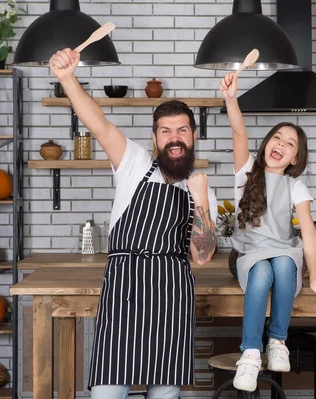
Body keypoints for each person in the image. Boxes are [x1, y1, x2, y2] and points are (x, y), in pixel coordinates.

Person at [49, 48, 218, 399]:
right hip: (124, 288)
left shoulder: (201, 191)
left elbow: (201, 256)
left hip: (172, 294)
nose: (174, 137)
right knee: (107, 392)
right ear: (155, 138)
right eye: (166, 130)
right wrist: (67, 79)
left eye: (182, 129)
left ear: (193, 136)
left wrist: (200, 197)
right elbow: (98, 122)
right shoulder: (135, 164)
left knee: (164, 393)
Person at [219, 73, 316, 392]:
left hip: (286, 253)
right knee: (262, 271)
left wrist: (314, 276)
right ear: (267, 144)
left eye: (290, 143)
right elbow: (238, 132)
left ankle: (277, 341)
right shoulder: (245, 176)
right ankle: (251, 353)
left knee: (281, 263)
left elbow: (309, 233)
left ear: (295, 157)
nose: (280, 144)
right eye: (277, 138)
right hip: (251, 255)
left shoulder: (296, 187)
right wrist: (230, 98)